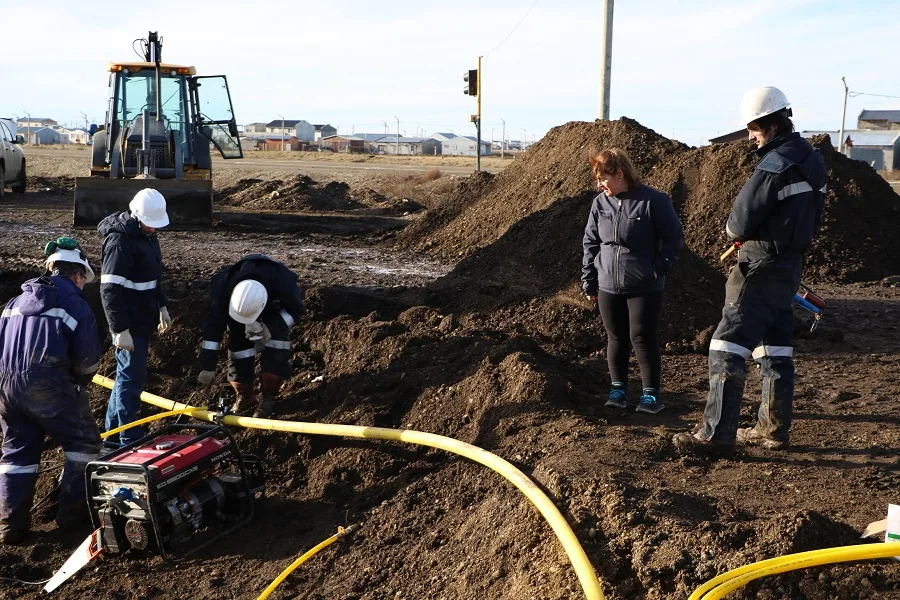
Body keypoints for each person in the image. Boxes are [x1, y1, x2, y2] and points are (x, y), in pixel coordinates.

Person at [673, 86, 826, 455]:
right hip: (788, 266)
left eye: (754, 128)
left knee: (726, 344)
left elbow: (738, 223)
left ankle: (715, 435)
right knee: (774, 348)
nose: (751, 136)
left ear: (770, 124)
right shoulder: (812, 159)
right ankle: (772, 429)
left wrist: (740, 234)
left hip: (758, 266)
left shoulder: (773, 165)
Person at [0, 238, 102, 544]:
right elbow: (87, 361)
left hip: (6, 388)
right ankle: (71, 516)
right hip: (48, 384)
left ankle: (10, 525)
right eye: (84, 280)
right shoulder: (74, 304)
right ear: (77, 275)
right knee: (84, 443)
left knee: (17, 453)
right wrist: (76, 388)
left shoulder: (14, 304)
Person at [581, 148, 684, 414]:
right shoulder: (599, 204)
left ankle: (650, 395)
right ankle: (618, 390)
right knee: (615, 337)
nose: (599, 184)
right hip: (607, 283)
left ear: (620, 173)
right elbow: (591, 242)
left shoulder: (653, 201)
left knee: (641, 337)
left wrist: (658, 269)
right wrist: (589, 279)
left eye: (603, 177)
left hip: (644, 285)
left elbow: (673, 238)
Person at [99, 188, 172, 447]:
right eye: (150, 225)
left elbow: (152, 278)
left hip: (142, 319)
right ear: (137, 216)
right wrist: (120, 329)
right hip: (130, 323)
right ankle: (128, 440)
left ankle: (111, 439)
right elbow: (109, 289)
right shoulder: (120, 242)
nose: (154, 229)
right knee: (131, 381)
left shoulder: (147, 235)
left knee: (126, 379)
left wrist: (161, 305)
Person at [197, 254, 305, 418]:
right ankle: (245, 397)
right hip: (237, 320)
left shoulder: (282, 283)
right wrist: (208, 366)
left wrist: (270, 329)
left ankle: (269, 396)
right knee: (238, 361)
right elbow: (213, 330)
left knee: (274, 357)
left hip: (272, 317)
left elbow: (296, 311)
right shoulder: (224, 290)